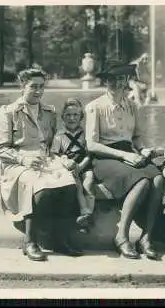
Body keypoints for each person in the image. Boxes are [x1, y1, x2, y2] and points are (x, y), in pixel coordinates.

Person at [0, 65, 83, 262]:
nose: (39, 91)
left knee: (68, 183)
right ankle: (30, 241)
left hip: (45, 160)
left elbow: (52, 144)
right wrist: (24, 159)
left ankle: (60, 239)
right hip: (17, 164)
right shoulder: (8, 113)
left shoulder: (49, 112)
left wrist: (61, 158)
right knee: (39, 187)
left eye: (42, 86)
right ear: (22, 86)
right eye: (34, 86)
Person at [85, 61, 165, 261]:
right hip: (106, 157)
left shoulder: (132, 106)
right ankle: (122, 236)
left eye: (120, 79)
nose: (116, 83)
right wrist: (125, 155)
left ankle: (146, 237)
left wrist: (145, 150)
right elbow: (91, 145)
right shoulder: (95, 107)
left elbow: (136, 137)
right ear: (106, 81)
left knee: (158, 180)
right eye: (111, 79)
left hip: (129, 153)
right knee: (142, 181)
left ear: (126, 81)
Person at [51, 97, 96, 234]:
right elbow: (54, 154)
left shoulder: (86, 134)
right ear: (63, 117)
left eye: (75, 115)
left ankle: (88, 213)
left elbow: (90, 154)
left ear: (81, 116)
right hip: (69, 166)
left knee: (89, 181)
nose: (72, 118)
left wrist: (82, 166)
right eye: (68, 115)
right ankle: (84, 212)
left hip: (84, 164)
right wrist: (65, 163)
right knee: (76, 184)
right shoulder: (59, 136)